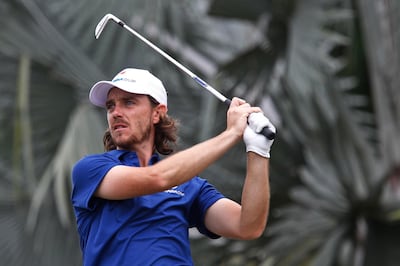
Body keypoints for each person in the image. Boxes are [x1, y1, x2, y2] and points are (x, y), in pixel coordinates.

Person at [71, 68, 275, 266]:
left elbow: (248, 226)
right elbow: (156, 179)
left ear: (157, 113)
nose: (115, 113)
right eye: (110, 106)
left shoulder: (189, 186)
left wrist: (258, 150)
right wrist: (231, 134)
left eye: (129, 103)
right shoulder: (91, 169)